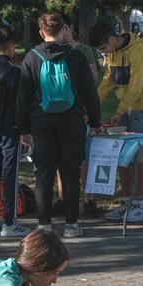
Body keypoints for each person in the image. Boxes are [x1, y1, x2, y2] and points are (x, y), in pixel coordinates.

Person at [17, 13, 101, 238]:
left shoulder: (31, 58)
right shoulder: (76, 56)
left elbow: (23, 98)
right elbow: (90, 93)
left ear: (41, 33)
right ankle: (72, 224)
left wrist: (24, 129)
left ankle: (44, 224)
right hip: (72, 120)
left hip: (41, 122)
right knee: (70, 172)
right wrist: (95, 122)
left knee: (43, 173)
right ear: (63, 30)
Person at [90, 22, 143, 224]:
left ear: (111, 40)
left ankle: (137, 205)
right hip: (126, 106)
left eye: (103, 49)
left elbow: (137, 86)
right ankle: (126, 201)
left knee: (138, 157)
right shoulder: (113, 53)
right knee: (121, 155)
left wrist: (119, 112)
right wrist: (92, 105)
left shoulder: (139, 50)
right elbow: (108, 81)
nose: (104, 53)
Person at [0, 27, 31, 238]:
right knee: (9, 174)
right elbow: (22, 105)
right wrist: (25, 131)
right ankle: (9, 222)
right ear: (11, 48)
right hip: (10, 130)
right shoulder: (15, 73)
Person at [54, 14, 101, 218]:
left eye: (65, 28)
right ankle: (63, 198)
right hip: (59, 111)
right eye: (59, 29)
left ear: (71, 28)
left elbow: (92, 78)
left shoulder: (83, 50)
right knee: (59, 158)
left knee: (84, 158)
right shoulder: (51, 51)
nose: (63, 32)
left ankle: (88, 198)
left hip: (79, 110)